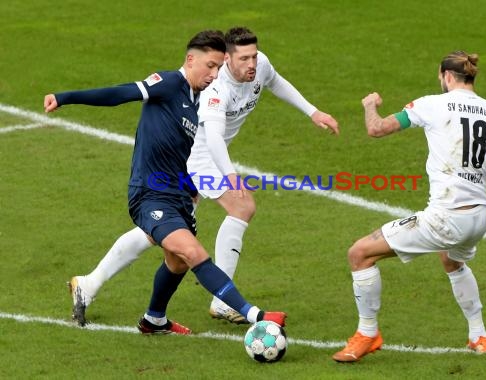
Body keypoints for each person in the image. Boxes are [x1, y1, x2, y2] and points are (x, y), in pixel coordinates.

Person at [65, 26, 339, 326]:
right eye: (242, 59)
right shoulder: (215, 90)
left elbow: (275, 81)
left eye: (254, 57)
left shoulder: (259, 65)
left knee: (160, 237)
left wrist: (312, 111)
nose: (251, 64)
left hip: (199, 159)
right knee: (240, 206)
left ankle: (91, 285)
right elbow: (214, 140)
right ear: (229, 60)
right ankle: (224, 303)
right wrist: (230, 176)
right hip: (199, 157)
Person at [332, 51, 486, 362]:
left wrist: (370, 104)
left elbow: (377, 129)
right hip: (478, 220)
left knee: (359, 254)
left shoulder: (432, 104)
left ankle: (367, 333)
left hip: (446, 218)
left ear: (446, 77)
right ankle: (479, 335)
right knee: (451, 261)